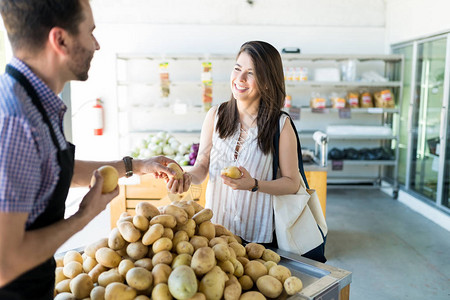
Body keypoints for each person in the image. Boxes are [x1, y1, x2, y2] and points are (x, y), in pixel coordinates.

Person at [0, 1, 176, 298]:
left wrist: (137, 165)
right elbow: (6, 262)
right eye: (90, 32)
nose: (96, 45)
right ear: (61, 40)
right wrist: (83, 217)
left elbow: (51, 172)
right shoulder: (16, 121)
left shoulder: (33, 103)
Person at [168, 41, 301, 244]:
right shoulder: (216, 116)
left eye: (251, 73)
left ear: (266, 81)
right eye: (237, 68)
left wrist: (254, 185)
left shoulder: (280, 125)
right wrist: (186, 177)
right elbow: (202, 167)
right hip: (216, 231)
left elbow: (292, 183)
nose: (239, 78)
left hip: (259, 236)